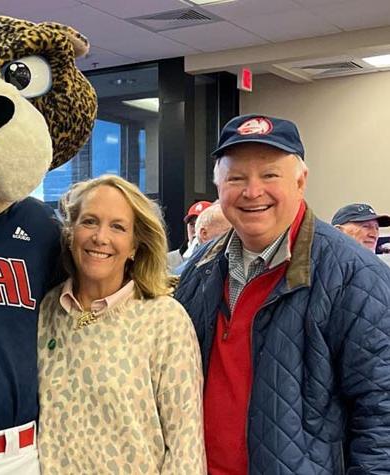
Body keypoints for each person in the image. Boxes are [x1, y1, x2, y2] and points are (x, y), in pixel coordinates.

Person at [175, 114, 390, 474]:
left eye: (270, 175)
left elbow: (381, 414)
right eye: (236, 178)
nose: (252, 191)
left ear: (301, 181)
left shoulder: (355, 277)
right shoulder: (200, 269)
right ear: (219, 187)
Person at [38, 175, 205, 474]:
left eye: (118, 227)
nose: (100, 237)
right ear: (70, 232)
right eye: (89, 221)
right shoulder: (48, 310)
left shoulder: (164, 320)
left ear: (134, 246)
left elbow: (186, 446)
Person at [166, 200, 211, 272]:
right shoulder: (168, 259)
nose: (196, 230)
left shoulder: (220, 259)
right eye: (192, 225)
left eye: (201, 224)